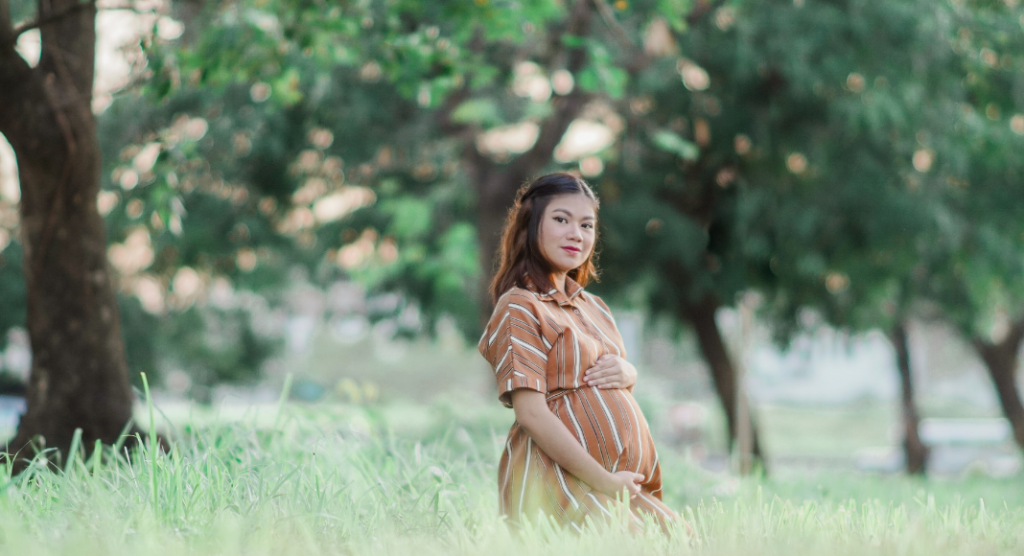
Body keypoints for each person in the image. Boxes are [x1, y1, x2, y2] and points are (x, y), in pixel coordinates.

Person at [478, 172, 681, 533]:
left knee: (685, 540)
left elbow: (606, 388)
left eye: (587, 225)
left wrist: (628, 372)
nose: (577, 234)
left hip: (618, 485)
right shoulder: (520, 306)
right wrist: (603, 480)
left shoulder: (595, 307)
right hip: (558, 478)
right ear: (530, 225)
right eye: (561, 220)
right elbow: (531, 414)